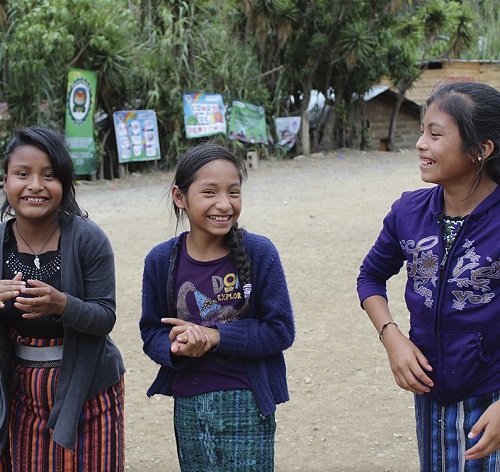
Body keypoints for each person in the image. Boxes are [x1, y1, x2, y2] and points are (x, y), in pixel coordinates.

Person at [357, 81, 500, 470]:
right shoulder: (408, 211)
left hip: (492, 396)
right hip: (431, 392)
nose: (421, 143)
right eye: (422, 131)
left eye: (435, 134)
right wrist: (393, 339)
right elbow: (370, 277)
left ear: (480, 150)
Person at [139, 143, 295, 471]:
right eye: (209, 192)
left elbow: (279, 330)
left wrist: (214, 337)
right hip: (188, 402)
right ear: (180, 197)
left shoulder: (259, 253)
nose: (224, 204)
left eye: (233, 192)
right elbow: (152, 331)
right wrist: (176, 345)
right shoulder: (160, 260)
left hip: (249, 401)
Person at [0, 126, 125, 471]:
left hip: (91, 387)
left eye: (50, 175)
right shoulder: (0, 242)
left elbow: (105, 316)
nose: (35, 185)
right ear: (6, 179)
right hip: (21, 387)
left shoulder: (88, 238)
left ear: (65, 182)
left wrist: (62, 305)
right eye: (22, 174)